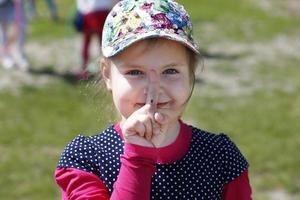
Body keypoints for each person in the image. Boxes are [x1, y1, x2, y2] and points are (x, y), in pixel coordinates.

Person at [55, 0, 252, 199]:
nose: (154, 88)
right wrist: (137, 157)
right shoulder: (85, 160)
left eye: (170, 71)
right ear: (107, 75)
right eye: (135, 72)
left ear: (190, 74)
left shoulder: (221, 158)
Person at [75, 0, 118, 80]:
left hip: (89, 12)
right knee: (103, 42)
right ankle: (108, 67)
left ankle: (84, 70)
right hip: (103, 11)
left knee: (87, 42)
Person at [0, 0, 28, 70]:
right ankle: (5, 56)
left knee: (21, 27)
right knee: (3, 30)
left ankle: (21, 54)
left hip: (16, 4)